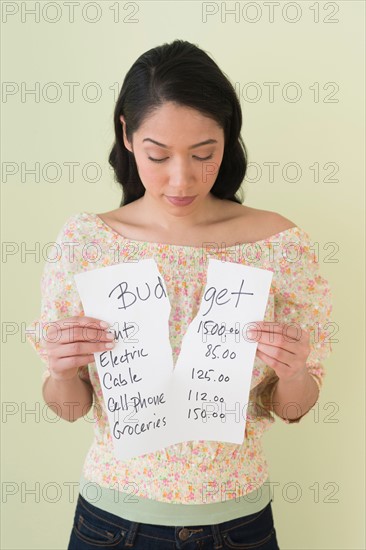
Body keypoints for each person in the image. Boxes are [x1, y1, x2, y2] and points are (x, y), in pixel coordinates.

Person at [26, 39, 333, 549]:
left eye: (203, 154)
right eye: (158, 154)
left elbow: (295, 407)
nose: (180, 178)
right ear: (126, 134)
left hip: (239, 523)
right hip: (111, 523)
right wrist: (60, 371)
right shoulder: (86, 242)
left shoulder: (278, 244)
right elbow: (69, 408)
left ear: (227, 140)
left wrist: (294, 371)